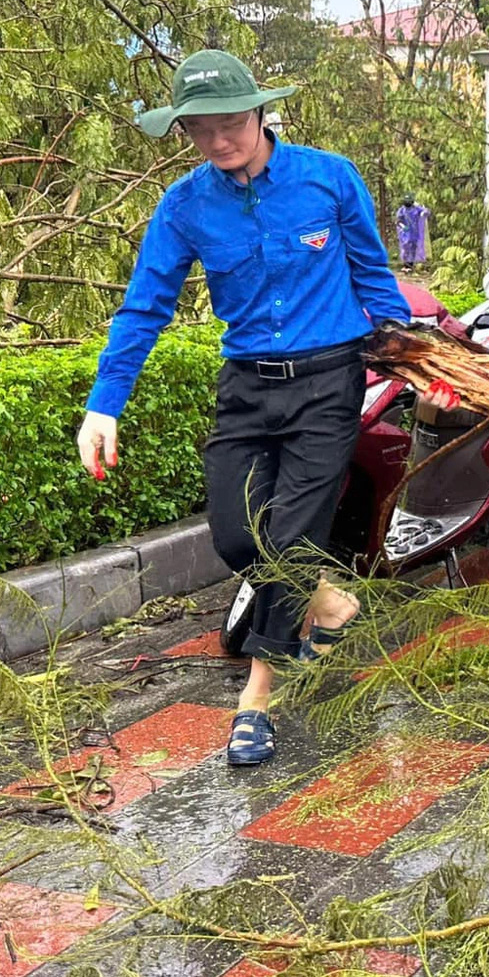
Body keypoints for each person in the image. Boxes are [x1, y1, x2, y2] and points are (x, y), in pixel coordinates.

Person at [75, 51, 424, 769]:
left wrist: (409, 355)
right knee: (239, 538)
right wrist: (104, 405)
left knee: (291, 544)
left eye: (230, 123)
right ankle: (332, 606)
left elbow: (372, 274)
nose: (217, 141)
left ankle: (255, 702)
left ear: (262, 114)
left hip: (329, 382)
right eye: (198, 130)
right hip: (246, 387)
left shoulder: (329, 177)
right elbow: (145, 306)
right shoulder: (184, 204)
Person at [395, 194, 430, 271]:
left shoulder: (416, 209)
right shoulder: (402, 210)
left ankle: (410, 265)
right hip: (405, 233)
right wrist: (403, 226)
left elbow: (426, 212)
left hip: (415, 232)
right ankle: (406, 265)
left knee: (413, 248)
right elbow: (398, 221)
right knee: (405, 248)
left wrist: (418, 206)